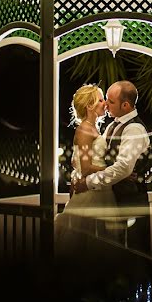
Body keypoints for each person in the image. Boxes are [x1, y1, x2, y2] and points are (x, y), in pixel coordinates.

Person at [54, 83, 117, 258]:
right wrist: (115, 170)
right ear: (90, 106)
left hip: (99, 189)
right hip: (92, 193)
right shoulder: (85, 129)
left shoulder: (92, 127)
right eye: (100, 100)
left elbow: (76, 162)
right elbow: (87, 168)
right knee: (86, 242)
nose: (105, 103)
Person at [71, 80, 150, 207]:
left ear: (125, 105)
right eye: (103, 100)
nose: (106, 104)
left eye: (110, 101)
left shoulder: (134, 129)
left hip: (130, 202)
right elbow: (83, 161)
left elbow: (123, 168)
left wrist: (87, 183)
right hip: (108, 196)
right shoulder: (111, 127)